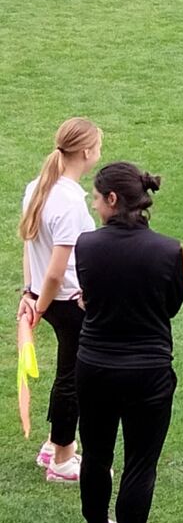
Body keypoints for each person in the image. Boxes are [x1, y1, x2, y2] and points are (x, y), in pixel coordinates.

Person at [75, 162, 183, 523]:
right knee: (140, 466)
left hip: (94, 368)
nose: (93, 205)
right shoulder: (171, 250)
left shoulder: (86, 245)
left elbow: (91, 296)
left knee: (95, 455)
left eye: (95, 198)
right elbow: (171, 305)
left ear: (112, 199)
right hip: (149, 372)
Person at [18, 117, 103, 484]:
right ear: (86, 152)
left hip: (49, 297)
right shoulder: (70, 203)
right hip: (70, 301)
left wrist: (30, 293)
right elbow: (56, 270)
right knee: (75, 378)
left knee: (68, 371)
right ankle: (64, 459)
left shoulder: (37, 187)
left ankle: (54, 444)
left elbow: (28, 246)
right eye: (98, 146)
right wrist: (41, 301)